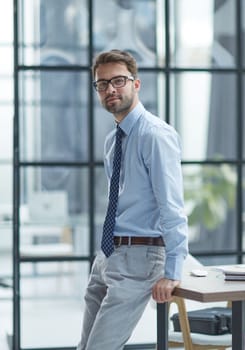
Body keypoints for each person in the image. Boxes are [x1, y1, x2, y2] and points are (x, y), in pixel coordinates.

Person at [76, 49, 188, 350]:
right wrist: (105, 256)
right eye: (102, 84)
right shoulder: (113, 140)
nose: (110, 89)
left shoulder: (155, 135)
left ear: (135, 85)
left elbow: (172, 206)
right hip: (108, 255)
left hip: (141, 257)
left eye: (118, 81)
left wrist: (172, 272)